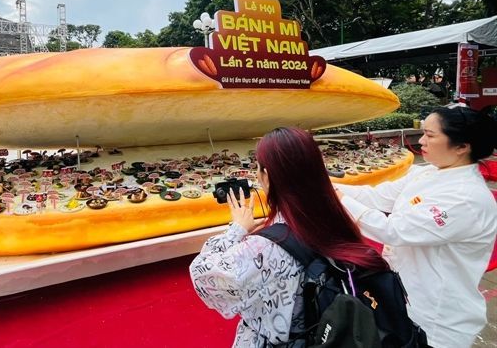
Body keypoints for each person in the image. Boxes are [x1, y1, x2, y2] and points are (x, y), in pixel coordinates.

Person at [189, 127, 389, 347]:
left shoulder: (265, 247)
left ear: (267, 176)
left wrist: (236, 228)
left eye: (258, 168)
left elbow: (204, 279)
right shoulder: (334, 219)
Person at [335, 105, 497, 348]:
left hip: (437, 320)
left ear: (462, 147)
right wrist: (325, 185)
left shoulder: (466, 198)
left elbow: (393, 230)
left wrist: (339, 198)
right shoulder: (427, 172)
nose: (421, 140)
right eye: (423, 132)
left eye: (430, 135)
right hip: (405, 302)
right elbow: (377, 196)